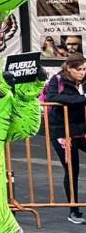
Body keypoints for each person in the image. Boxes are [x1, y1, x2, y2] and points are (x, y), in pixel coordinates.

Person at [41, 53, 86, 224]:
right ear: (69, 68)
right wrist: (81, 99)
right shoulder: (57, 80)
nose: (82, 73)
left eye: (84, 69)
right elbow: (52, 97)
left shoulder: (83, 81)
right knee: (72, 171)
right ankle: (73, 211)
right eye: (79, 69)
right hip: (62, 132)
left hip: (81, 129)